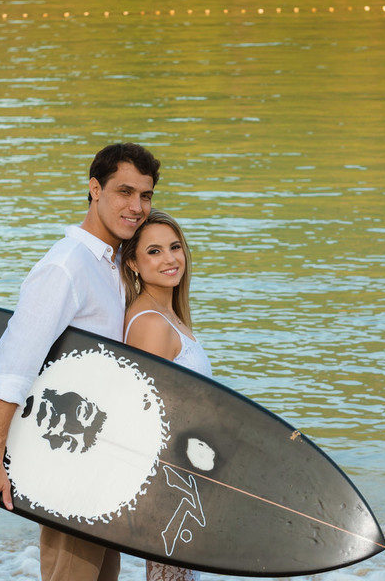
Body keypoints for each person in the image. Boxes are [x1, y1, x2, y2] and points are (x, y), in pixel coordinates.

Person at [0, 142, 161, 581]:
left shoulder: (113, 264)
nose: (136, 207)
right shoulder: (67, 267)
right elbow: (13, 365)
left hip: (98, 460)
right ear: (95, 189)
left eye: (145, 195)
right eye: (125, 192)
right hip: (67, 464)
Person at [120, 210, 212, 581]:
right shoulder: (152, 324)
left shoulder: (169, 316)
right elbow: (145, 418)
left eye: (174, 247)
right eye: (154, 251)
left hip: (183, 479)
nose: (170, 259)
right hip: (169, 488)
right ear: (133, 263)